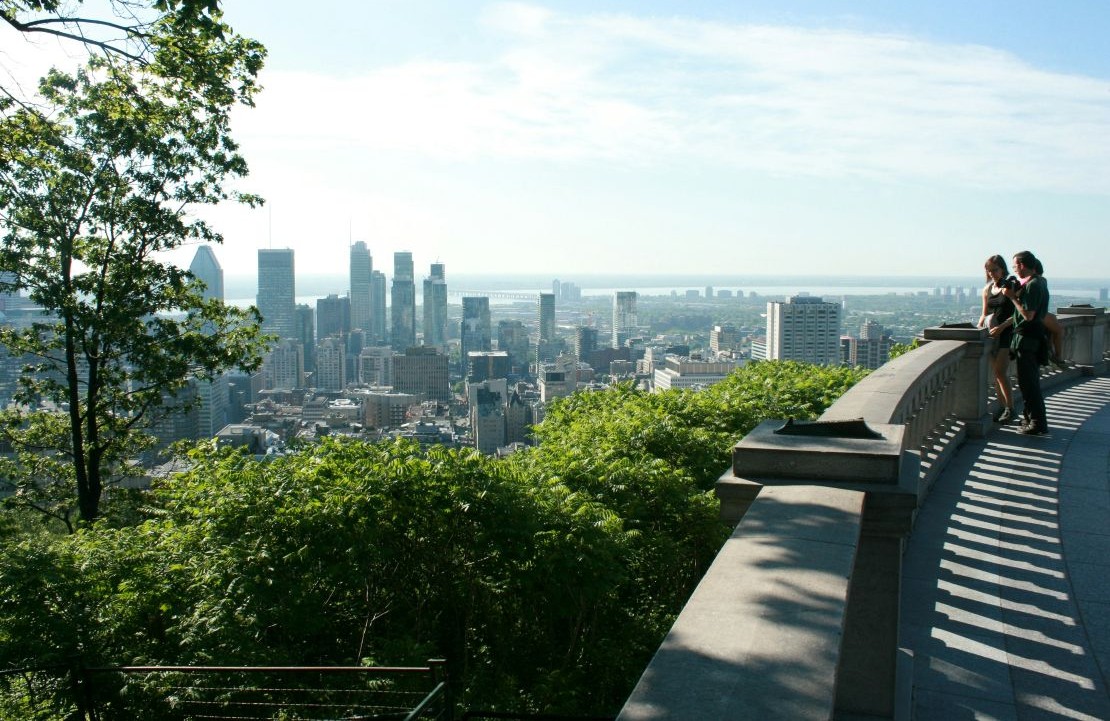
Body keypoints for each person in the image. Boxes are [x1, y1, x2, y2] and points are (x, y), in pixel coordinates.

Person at [1004, 250, 1049, 435]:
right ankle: (1031, 418)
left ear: (1022, 265)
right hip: (1029, 339)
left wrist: (1012, 297)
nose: (1014, 269)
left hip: (1027, 340)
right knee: (1027, 383)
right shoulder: (1038, 282)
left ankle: (1037, 423)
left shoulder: (1034, 285)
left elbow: (1028, 315)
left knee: (1029, 383)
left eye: (1015, 266)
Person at [976, 255, 1016, 422]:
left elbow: (1017, 313)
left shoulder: (1010, 285)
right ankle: (1002, 407)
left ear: (1002, 269)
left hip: (1007, 333)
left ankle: (1010, 408)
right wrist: (978, 331)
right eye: (989, 270)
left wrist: (1001, 327)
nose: (992, 273)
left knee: (1000, 372)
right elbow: (984, 314)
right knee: (996, 374)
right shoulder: (987, 290)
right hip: (992, 334)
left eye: (995, 270)